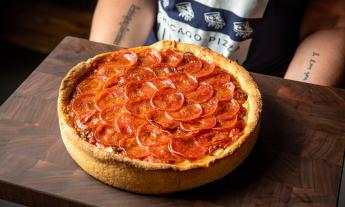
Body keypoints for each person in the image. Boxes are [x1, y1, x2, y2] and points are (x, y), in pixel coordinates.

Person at [90, 0, 345, 87]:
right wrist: (108, 72)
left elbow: (331, 20)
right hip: (146, 65)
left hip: (268, 85)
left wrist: (295, 103)